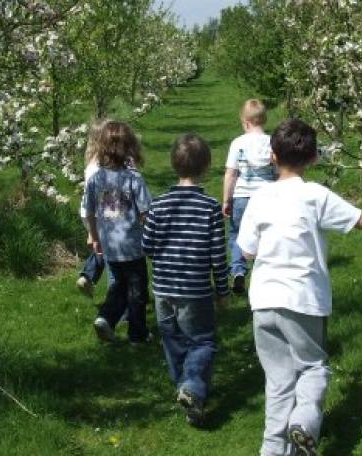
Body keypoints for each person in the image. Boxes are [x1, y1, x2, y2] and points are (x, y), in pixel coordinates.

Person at [236, 119, 362, 456]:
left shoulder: (260, 197)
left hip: (265, 300)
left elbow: (246, 249)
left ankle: (273, 450)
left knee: (279, 382)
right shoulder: (315, 194)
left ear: (272, 156)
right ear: (314, 158)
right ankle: (304, 422)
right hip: (303, 298)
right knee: (312, 367)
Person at [142, 133, 230, 426]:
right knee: (203, 342)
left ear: (173, 165)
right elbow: (218, 254)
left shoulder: (158, 204)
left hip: (164, 288)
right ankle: (192, 386)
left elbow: (147, 246)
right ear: (206, 167)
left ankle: (187, 390)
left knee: (173, 341)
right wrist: (223, 289)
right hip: (195, 290)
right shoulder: (209, 208)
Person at [86, 121, 152, 345]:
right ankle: (138, 335)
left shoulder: (95, 180)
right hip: (132, 246)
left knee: (119, 287)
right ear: (130, 148)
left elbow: (90, 212)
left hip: (110, 246)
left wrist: (94, 237)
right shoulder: (134, 179)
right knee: (137, 291)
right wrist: (152, 237)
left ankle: (106, 317)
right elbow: (145, 214)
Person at [222, 99, 276, 295]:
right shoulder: (272, 143)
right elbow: (277, 171)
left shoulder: (238, 143)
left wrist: (227, 200)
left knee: (238, 234)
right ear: (264, 120)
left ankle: (238, 271)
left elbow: (231, 174)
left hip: (242, 197)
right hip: (267, 197)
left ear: (245, 122)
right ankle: (264, 271)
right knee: (266, 234)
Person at [76, 118, 110, 296]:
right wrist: (92, 231)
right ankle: (118, 295)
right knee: (109, 249)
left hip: (87, 212)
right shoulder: (100, 167)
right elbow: (95, 200)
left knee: (103, 248)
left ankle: (87, 277)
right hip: (97, 214)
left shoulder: (92, 162)